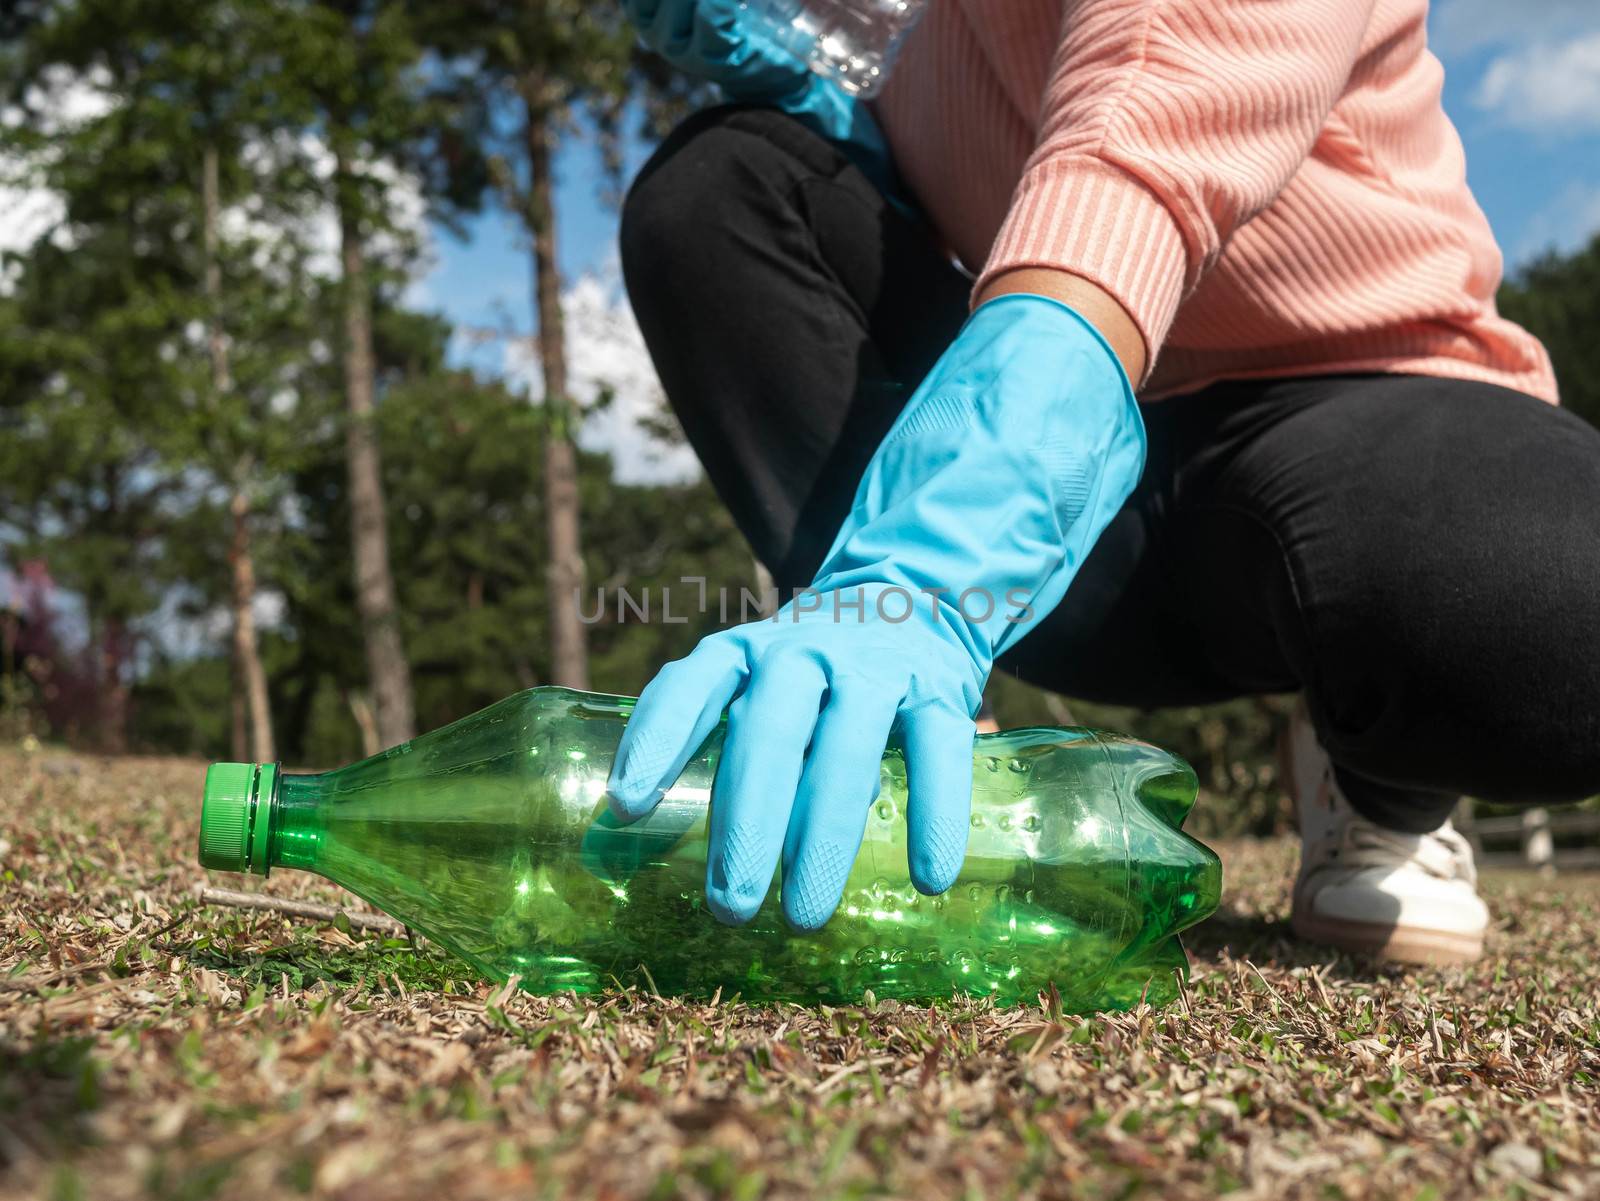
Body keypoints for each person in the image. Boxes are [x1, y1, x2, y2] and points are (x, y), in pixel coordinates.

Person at [606, 0, 1600, 965]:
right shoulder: (899, 18)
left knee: (1551, 604)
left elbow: (1137, 153)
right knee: (723, 182)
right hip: (1074, 503)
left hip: (1362, 414)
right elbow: (905, 211)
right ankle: (922, 749)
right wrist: (806, 85)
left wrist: (918, 572)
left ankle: (1386, 790)